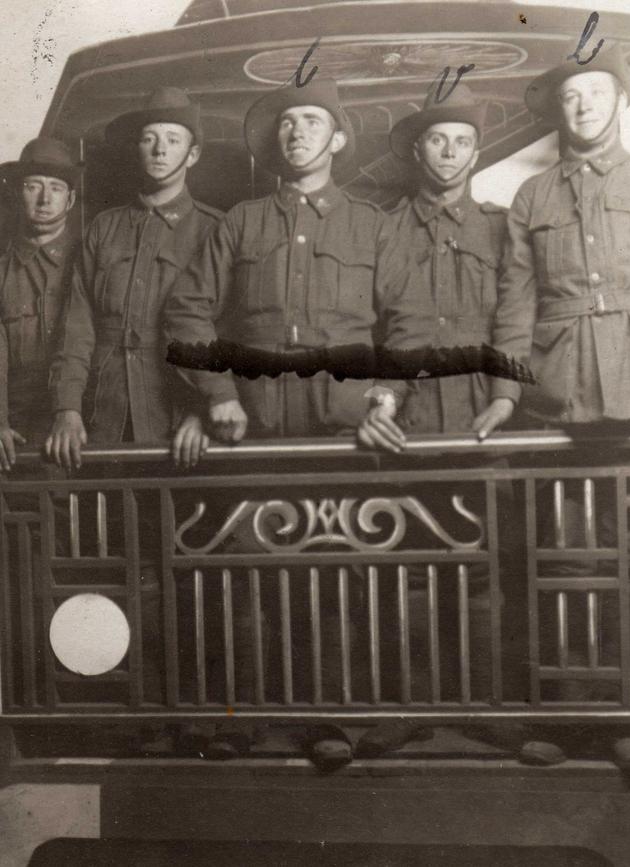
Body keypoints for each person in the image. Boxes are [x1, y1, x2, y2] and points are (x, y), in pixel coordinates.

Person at [164, 76, 435, 769]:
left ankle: (331, 719)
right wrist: (216, 392)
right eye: (288, 124)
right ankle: (241, 718)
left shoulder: (373, 225)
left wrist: (387, 399)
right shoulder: (240, 222)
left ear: (338, 140)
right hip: (253, 433)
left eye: (313, 122)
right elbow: (188, 312)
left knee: (341, 579)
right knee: (246, 578)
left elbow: (408, 326)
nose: (298, 132)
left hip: (346, 437)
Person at [475, 44, 630, 777]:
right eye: (570, 98)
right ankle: (577, 713)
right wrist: (508, 392)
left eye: (595, 95)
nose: (582, 108)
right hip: (564, 397)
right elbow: (515, 306)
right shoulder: (533, 197)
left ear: (620, 102)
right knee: (574, 560)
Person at [45, 86, 223, 754]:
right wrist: (66, 404)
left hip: (178, 431)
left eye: (172, 139)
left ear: (193, 153)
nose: (158, 149)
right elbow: (77, 329)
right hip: (109, 430)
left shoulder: (213, 227)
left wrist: (203, 409)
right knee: (118, 570)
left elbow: (222, 328)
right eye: (149, 138)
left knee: (191, 574)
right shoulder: (103, 229)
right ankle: (137, 713)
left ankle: (201, 716)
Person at [355, 83, 516, 756]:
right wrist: (372, 399)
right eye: (436, 140)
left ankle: (489, 710)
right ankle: (408, 711)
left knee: (489, 567)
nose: (449, 153)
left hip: (488, 422)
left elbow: (521, 317)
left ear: (476, 152)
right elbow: (359, 324)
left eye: (462, 141)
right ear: (416, 151)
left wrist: (507, 396)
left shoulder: (505, 228)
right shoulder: (379, 228)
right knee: (407, 568)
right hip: (407, 424)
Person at [0, 137, 81, 468]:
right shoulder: (2, 272)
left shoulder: (91, 263)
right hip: (18, 435)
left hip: (84, 428)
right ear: (18, 193)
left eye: (56, 188)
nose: (45, 198)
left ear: (71, 199)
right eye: (34, 186)